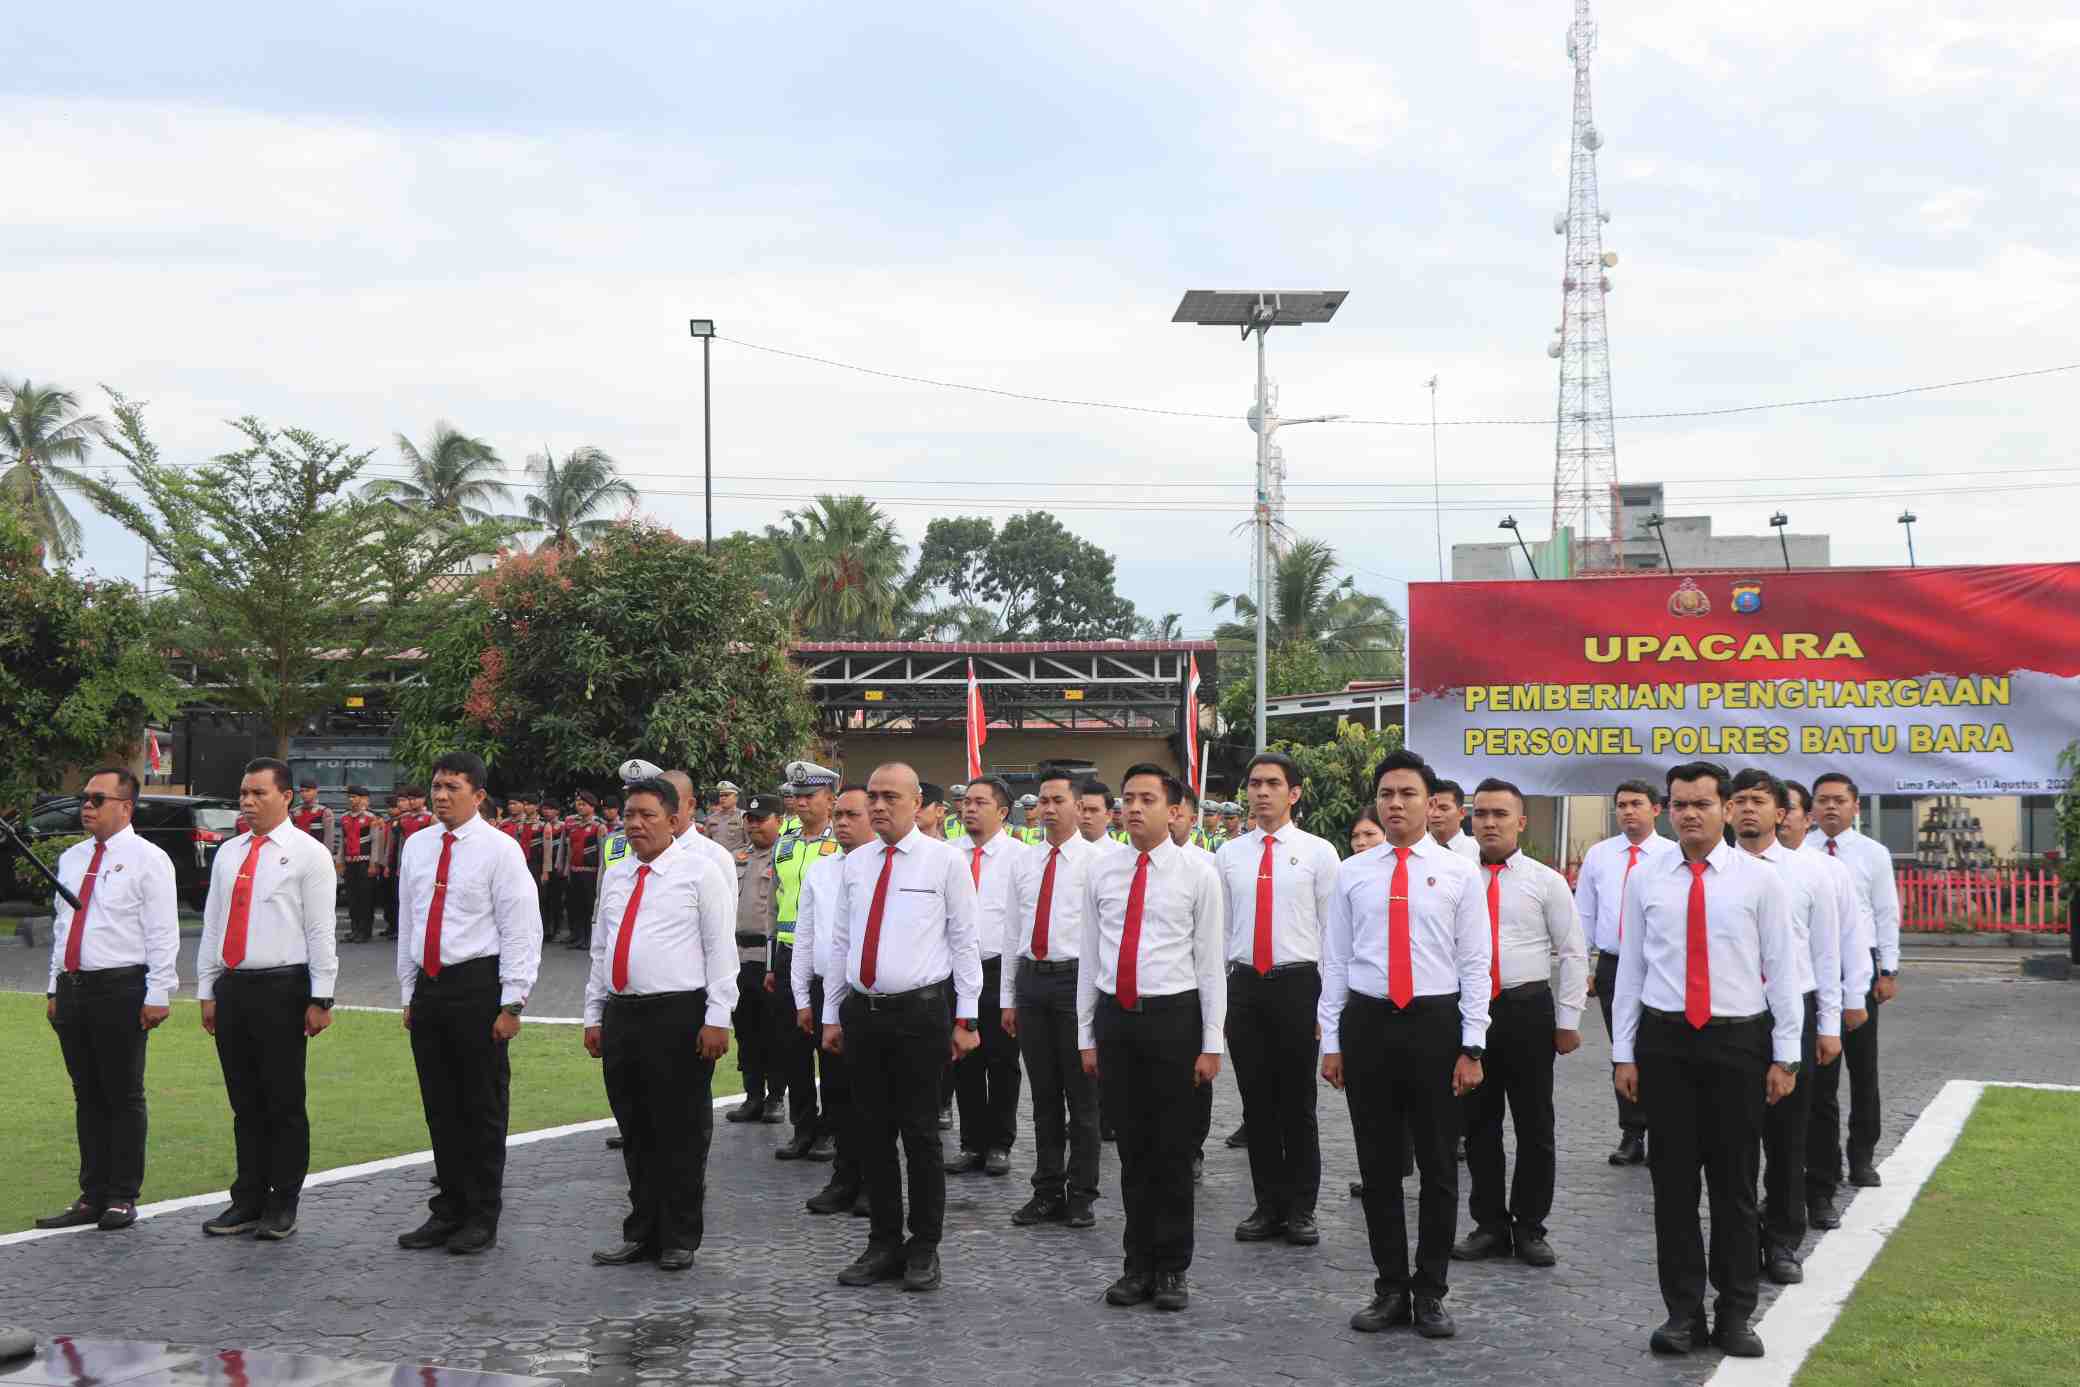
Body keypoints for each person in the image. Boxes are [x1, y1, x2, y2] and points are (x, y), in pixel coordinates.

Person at [1611, 761, 1801, 1359]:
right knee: (1671, 1188)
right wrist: (1623, 1053)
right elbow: (1631, 972)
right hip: (1665, 1045)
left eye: (1702, 803)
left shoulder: (1760, 881)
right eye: (1680, 804)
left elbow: (1784, 972)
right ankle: (1682, 1313)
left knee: (1734, 1186)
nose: (1690, 813)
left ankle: (1736, 1312)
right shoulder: (1646, 879)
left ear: (1724, 809)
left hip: (1736, 1045)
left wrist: (1786, 1056)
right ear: (1668, 809)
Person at [1320, 748, 1487, 1340]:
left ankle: (1432, 1290)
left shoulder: (1460, 873)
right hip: (1368, 1025)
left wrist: (1473, 1047)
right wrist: (1333, 1039)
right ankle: (1390, 1286)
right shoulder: (1352, 871)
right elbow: (1335, 961)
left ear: (1432, 803)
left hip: (1435, 1026)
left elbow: (1475, 962)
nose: (1396, 804)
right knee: (1378, 1164)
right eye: (1387, 794)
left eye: (1408, 794)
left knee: (1440, 1165)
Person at [822, 761, 983, 1293]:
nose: (879, 805)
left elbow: (965, 942)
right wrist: (831, 1012)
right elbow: (842, 942)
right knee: (871, 1132)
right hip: (863, 1014)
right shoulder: (856, 864)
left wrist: (968, 1018)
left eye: (891, 796)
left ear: (918, 803)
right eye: (874, 795)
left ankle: (925, 1246)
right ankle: (883, 1241)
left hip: (920, 1015)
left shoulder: (944, 863)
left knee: (920, 1135)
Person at [1079, 763, 1226, 1313]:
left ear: (1173, 809)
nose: (1134, 808)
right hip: (1117, 1020)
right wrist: (1085, 1034)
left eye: (1147, 798)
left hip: (1174, 1019)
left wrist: (1211, 1043)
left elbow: (1210, 962)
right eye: (1128, 797)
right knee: (1134, 1152)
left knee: (1172, 1151)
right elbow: (1090, 955)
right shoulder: (1102, 870)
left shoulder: (1197, 873)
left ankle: (1171, 1268)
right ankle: (1136, 1264)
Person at [582, 776, 737, 1272]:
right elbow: (601, 949)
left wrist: (718, 1018)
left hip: (679, 1014)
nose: (635, 824)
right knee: (636, 1128)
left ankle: (679, 1234)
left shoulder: (701, 872)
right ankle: (642, 1229)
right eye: (629, 814)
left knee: (682, 1130)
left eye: (647, 815)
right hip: (623, 1013)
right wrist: (594, 1014)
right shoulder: (618, 873)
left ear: (674, 820)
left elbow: (720, 951)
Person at [394, 751, 542, 1256]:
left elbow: (521, 929)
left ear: (478, 796)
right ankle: (448, 1209)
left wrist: (512, 1003)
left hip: (478, 986)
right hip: (431, 986)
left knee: (481, 1108)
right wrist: (408, 991)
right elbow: (411, 922)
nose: (440, 795)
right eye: (436, 785)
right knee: (440, 1106)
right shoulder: (416, 845)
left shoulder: (501, 851)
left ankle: (481, 1214)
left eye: (452, 787)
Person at [194, 757, 338, 1240]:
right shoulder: (230, 852)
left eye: (258, 793)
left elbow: (321, 930)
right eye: (243, 794)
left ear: (286, 797)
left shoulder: (308, 854)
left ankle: (283, 1201)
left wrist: (322, 996)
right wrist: (207, 988)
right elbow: (214, 924)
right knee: (245, 1101)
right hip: (234, 985)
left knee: (282, 1099)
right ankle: (248, 1198)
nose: (248, 802)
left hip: (282, 987)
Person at [34, 767, 181, 1233]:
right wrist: (56, 985)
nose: (87, 807)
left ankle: (121, 1195)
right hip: (76, 987)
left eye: (98, 799)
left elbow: (163, 932)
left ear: (125, 806)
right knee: (87, 1095)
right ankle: (91, 1193)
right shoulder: (74, 858)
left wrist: (159, 992)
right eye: (84, 798)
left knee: (122, 1094)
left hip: (121, 987)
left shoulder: (149, 859)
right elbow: (63, 927)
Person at [1450, 778, 1587, 1270]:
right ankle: (1488, 1224)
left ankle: (1529, 1226)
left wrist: (1569, 1018)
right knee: (1478, 1125)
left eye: (1500, 814)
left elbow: (1572, 951)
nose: (1488, 823)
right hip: (1471, 1014)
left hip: (1527, 1011)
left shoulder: (1545, 881)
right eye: (1481, 813)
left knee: (1534, 1124)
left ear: (1520, 822)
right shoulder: (1454, 876)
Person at [1216, 752, 1340, 1248]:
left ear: (1294, 793)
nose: (1261, 792)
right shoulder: (1229, 855)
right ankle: (1267, 1204)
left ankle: (1301, 1208)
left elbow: (1334, 933)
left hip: (1298, 984)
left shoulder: (1318, 853)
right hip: (1245, 985)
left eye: (1272, 784)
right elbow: (1220, 930)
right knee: (1257, 1104)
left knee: (1297, 1104)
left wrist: (1327, 1006)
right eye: (1254, 783)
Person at [1728, 769, 1846, 1286]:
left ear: (1782, 814)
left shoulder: (1809, 873)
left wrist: (1828, 1025)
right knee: (1732, 1134)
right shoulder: (1708, 871)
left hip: (1790, 1012)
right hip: (1731, 1016)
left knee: (1787, 1135)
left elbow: (1826, 954)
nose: (1748, 809)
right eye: (1740, 800)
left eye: (1759, 801)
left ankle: (1781, 1239)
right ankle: (1735, 1237)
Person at [1003, 765, 1101, 1229]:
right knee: (1042, 1096)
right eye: (1041, 800)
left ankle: (1081, 1194)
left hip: (1077, 983)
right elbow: (1011, 932)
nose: (1045, 808)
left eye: (1056, 800)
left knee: (1082, 1098)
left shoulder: (1100, 862)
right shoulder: (1023, 861)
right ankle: (1046, 1189)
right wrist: (1008, 996)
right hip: (1032, 981)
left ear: (1079, 807)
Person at [1804, 773, 1899, 1207]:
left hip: (1861, 969)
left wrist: (1888, 970)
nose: (1830, 808)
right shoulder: (1799, 852)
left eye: (1839, 801)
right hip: (1817, 971)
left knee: (1863, 1072)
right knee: (1821, 1075)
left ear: (1855, 806)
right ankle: (1826, 1160)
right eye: (1822, 801)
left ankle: (1862, 1156)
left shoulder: (1873, 854)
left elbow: (1885, 912)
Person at [1784, 778, 1874, 1234]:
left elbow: (1849, 942)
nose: (1778, 817)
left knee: (1819, 1103)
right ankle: (1778, 1197)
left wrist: (1851, 1001)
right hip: (1752, 1007)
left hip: (1814, 1001)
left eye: (1789, 809)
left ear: (1805, 817)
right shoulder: (1741, 865)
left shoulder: (1826, 870)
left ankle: (1819, 1192)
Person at [1574, 779, 1675, 1167]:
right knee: (1624, 1048)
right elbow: (1584, 912)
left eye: (1636, 804)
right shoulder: (1600, 856)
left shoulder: (1672, 854)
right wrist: (1582, 965)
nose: (1628, 811)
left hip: (1661, 965)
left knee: (1661, 1049)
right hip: (1614, 965)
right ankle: (1632, 1132)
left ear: (1656, 809)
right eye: (1622, 805)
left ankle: (1664, 1128)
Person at [794, 784, 874, 1215]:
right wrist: (803, 998)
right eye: (838, 815)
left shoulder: (884, 868)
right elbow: (805, 938)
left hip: (871, 994)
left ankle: (872, 1183)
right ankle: (844, 1178)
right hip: (829, 992)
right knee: (838, 1093)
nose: (842, 823)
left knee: (872, 1097)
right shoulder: (821, 871)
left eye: (852, 815)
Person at [946, 777, 1027, 1178]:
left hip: (999, 971)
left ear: (1002, 811)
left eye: (980, 802)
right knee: (964, 1061)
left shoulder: (1020, 857)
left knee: (1002, 1060)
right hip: (957, 973)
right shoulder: (947, 855)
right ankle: (971, 1143)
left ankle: (1000, 1143)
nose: (969, 808)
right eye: (965, 802)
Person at [770, 762, 840, 1160]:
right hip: (787, 953)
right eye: (796, 796)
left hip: (824, 959)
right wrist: (769, 962)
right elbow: (774, 902)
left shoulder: (840, 844)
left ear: (829, 800)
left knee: (828, 1048)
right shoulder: (785, 843)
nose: (800, 803)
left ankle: (831, 1129)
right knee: (792, 1048)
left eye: (808, 796)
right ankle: (803, 1127)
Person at [1169, 790, 1222, 1183]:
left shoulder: (1208, 866)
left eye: (1179, 813)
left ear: (1191, 816)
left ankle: (1193, 1147)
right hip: (1156, 988)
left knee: (1195, 1076)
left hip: (1197, 983)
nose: (1171, 820)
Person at [727, 795, 784, 1124]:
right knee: (746, 1030)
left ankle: (776, 1097)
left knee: (773, 1030)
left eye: (761, 818)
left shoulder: (786, 856)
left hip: (768, 957)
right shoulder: (737, 858)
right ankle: (752, 1095)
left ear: (778, 819)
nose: (754, 824)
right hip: (739, 957)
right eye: (750, 818)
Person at [337, 785, 384, 944]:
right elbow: (343, 843)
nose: (352, 800)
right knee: (352, 898)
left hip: (365, 862)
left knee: (365, 898)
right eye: (350, 797)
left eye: (355, 797)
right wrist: (340, 862)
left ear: (364, 799)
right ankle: (354, 929)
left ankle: (365, 931)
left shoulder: (372, 818)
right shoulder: (344, 817)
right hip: (350, 863)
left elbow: (376, 842)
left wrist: (373, 864)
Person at [562, 792, 606, 951]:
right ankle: (578, 937)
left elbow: (602, 853)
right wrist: (567, 870)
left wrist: (602, 874)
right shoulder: (574, 827)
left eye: (583, 805)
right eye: (578, 804)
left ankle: (589, 938)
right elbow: (570, 851)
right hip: (575, 871)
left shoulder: (599, 827)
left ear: (592, 806)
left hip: (591, 872)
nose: (579, 807)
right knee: (575, 906)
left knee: (589, 907)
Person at [1426, 781, 1478, 861]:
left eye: (1443, 808)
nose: (1435, 814)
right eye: (1430, 808)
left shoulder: (1479, 852)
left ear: (1461, 813)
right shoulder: (1409, 851)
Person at [291, 777, 336, 857]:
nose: (304, 794)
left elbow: (329, 838)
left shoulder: (324, 812)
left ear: (316, 792)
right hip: (298, 854)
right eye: (302, 791)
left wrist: (327, 856)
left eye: (308, 791)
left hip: (317, 855)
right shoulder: (294, 813)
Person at [705, 781, 749, 856]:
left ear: (736, 798)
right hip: (716, 860)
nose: (723, 798)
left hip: (736, 861)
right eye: (721, 796)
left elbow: (749, 844)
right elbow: (706, 842)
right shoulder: (712, 818)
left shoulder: (743, 816)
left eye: (727, 795)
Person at [1076, 780, 1115, 845]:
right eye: (1082, 809)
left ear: (1109, 815)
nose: (1086, 815)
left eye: (1093, 810)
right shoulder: (1059, 852)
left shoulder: (1122, 853)